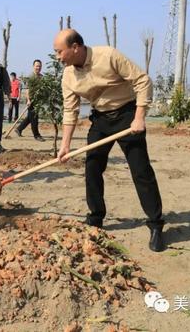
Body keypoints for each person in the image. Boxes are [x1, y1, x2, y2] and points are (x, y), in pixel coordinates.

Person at [54, 29, 165, 252]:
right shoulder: (68, 75)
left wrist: (139, 117)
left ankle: (155, 224)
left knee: (140, 170)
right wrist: (65, 145)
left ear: (75, 47)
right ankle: (96, 218)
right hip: (100, 120)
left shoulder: (108, 55)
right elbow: (70, 110)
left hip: (127, 116)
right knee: (92, 166)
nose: (58, 57)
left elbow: (143, 81)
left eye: (59, 51)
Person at [15, 59, 44, 141]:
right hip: (31, 100)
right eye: (37, 66)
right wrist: (28, 100)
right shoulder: (31, 77)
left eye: (40, 66)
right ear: (33, 67)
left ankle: (19, 129)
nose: (38, 67)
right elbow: (27, 90)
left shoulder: (41, 77)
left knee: (29, 118)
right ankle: (36, 135)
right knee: (34, 118)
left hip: (38, 100)